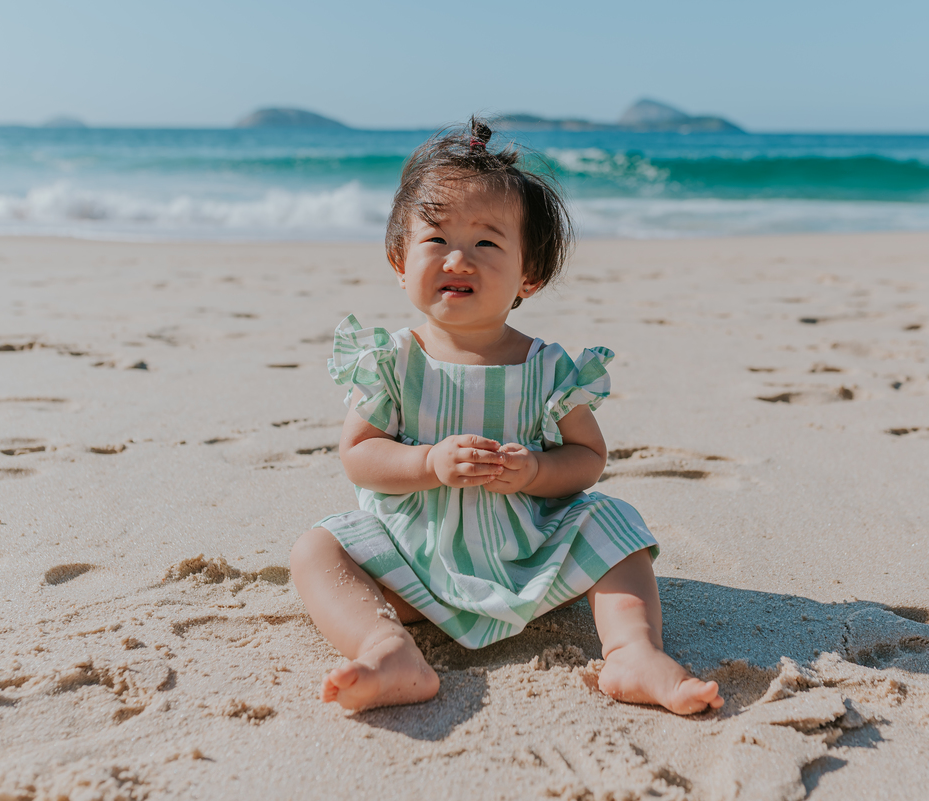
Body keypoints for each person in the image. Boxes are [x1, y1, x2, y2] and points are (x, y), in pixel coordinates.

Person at [290, 117, 723, 716]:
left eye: (487, 243)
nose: (458, 258)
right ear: (398, 257)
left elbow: (588, 459)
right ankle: (388, 648)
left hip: (529, 558)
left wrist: (535, 472)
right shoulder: (390, 362)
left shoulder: (546, 368)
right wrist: (427, 461)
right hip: (414, 563)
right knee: (317, 549)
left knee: (614, 522)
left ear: (529, 274)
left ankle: (633, 651)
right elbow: (360, 457)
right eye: (435, 240)